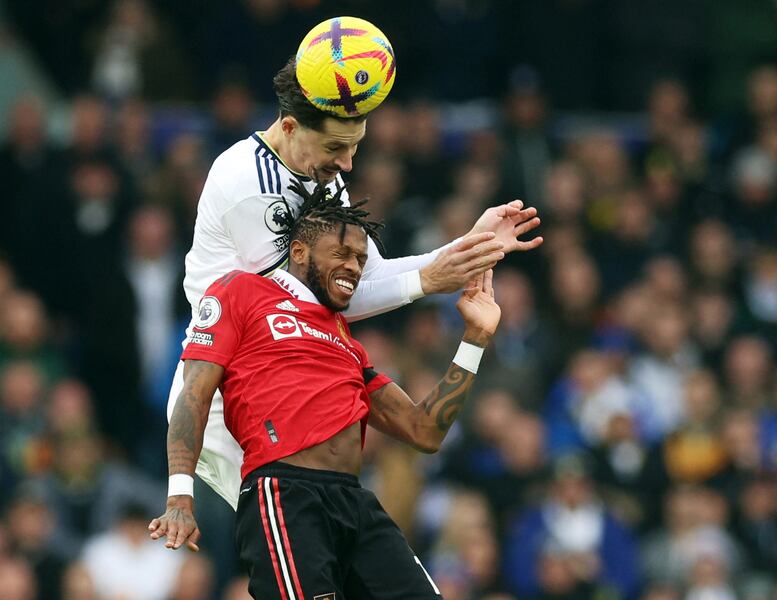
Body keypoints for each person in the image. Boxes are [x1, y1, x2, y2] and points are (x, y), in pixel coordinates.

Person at [167, 18, 543, 510]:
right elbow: (317, 302)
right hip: (225, 411)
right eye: (335, 148)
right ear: (289, 127)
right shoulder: (248, 184)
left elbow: (359, 278)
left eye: (355, 146)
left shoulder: (320, 178)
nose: (347, 164)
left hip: (292, 390)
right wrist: (430, 278)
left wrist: (462, 250)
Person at [150, 185, 502, 599]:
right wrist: (180, 494)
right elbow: (194, 393)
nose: (354, 267)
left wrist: (475, 339)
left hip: (353, 500)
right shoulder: (242, 292)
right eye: (342, 254)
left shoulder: (345, 342)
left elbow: (423, 430)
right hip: (285, 495)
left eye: (360, 259)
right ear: (299, 252)